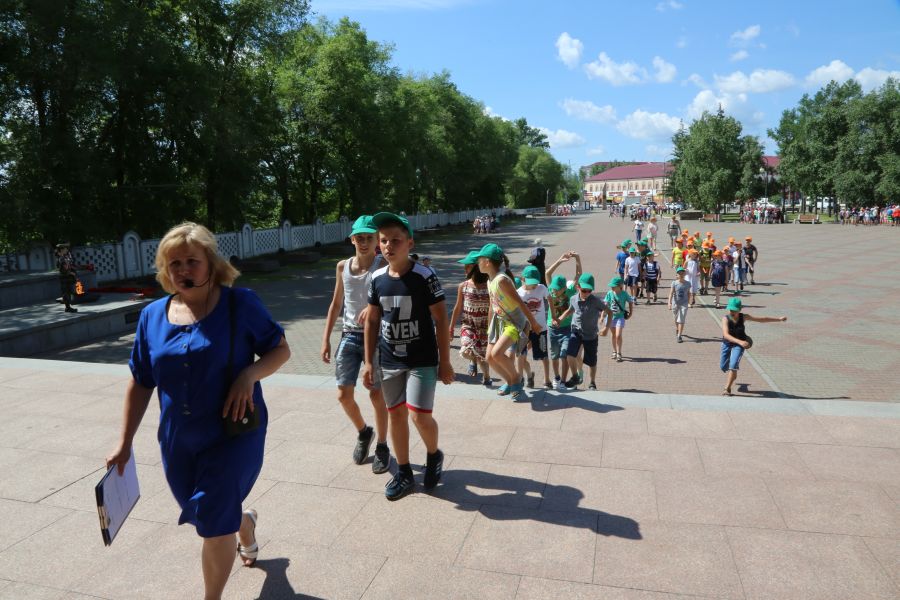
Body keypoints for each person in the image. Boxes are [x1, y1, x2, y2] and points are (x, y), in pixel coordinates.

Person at [106, 222, 291, 600]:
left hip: (233, 432)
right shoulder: (152, 316)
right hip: (179, 440)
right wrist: (124, 442)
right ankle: (244, 522)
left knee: (212, 522)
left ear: (211, 262)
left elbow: (281, 349)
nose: (183, 270)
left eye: (192, 261)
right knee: (212, 514)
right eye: (174, 263)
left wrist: (249, 375)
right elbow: (141, 381)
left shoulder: (241, 304)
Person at [363, 212, 452, 501]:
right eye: (383, 241)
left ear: (410, 243)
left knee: (419, 416)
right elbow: (372, 320)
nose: (388, 246)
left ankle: (433, 454)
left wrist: (445, 361)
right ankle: (403, 473)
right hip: (390, 359)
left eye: (396, 240)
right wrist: (369, 362)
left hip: (422, 359)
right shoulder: (376, 278)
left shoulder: (424, 276)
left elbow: (441, 318)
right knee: (396, 414)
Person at [321, 215, 390, 474]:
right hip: (349, 335)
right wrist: (326, 338)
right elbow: (336, 303)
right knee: (343, 394)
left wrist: (374, 309)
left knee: (376, 393)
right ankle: (364, 431)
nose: (364, 242)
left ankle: (382, 445)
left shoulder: (383, 265)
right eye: (359, 237)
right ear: (352, 239)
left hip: (377, 336)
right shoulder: (343, 267)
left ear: (377, 241)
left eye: (369, 238)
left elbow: (392, 299)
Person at [477, 242, 543, 401]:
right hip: (499, 322)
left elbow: (520, 303)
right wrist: (489, 328)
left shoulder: (502, 280)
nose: (477, 262)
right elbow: (492, 306)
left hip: (514, 322)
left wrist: (534, 323)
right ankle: (509, 381)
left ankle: (516, 379)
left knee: (497, 354)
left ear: (487, 261)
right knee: (489, 358)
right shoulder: (490, 280)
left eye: (480, 259)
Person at [720, 298, 787, 395]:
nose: (732, 312)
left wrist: (779, 319)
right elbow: (726, 335)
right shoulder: (725, 319)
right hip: (727, 344)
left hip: (739, 345)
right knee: (723, 367)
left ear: (740, 309)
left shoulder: (744, 317)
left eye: (734, 310)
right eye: (730, 309)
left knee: (733, 366)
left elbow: (762, 319)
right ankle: (737, 378)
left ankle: (727, 388)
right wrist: (740, 341)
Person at [555, 273, 609, 390]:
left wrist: (606, 328)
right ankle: (575, 377)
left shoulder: (595, 301)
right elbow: (570, 310)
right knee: (570, 355)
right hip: (576, 332)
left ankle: (592, 382)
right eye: (584, 290)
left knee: (591, 361)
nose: (587, 293)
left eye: (589, 291)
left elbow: (609, 312)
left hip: (591, 335)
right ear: (578, 287)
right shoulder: (573, 298)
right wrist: (560, 319)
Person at [449, 251, 492, 387]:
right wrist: (451, 328)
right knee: (466, 350)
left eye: (467, 266)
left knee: (483, 358)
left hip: (485, 327)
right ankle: (472, 360)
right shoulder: (464, 286)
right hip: (469, 324)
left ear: (476, 267)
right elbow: (457, 307)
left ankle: (486, 377)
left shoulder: (490, 285)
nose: (464, 269)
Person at [545, 252, 582, 391]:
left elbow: (578, 275)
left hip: (566, 328)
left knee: (564, 354)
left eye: (557, 289)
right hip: (552, 328)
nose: (554, 290)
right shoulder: (551, 290)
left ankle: (564, 380)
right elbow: (547, 273)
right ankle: (556, 377)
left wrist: (577, 258)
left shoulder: (570, 291)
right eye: (553, 288)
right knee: (554, 356)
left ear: (564, 288)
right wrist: (560, 260)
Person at [516, 265, 551, 389]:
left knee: (543, 354)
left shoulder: (541, 288)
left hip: (540, 329)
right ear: (523, 279)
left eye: (536, 282)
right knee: (521, 355)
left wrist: (552, 315)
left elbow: (550, 298)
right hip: (525, 329)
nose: (534, 285)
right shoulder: (519, 293)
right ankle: (526, 376)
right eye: (531, 283)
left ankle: (547, 379)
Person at [604, 276, 633, 362]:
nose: (612, 287)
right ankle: (614, 351)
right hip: (611, 317)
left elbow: (630, 302)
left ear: (620, 286)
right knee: (613, 335)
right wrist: (602, 314)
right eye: (611, 286)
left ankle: (619, 353)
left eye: (614, 286)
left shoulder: (624, 294)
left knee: (618, 335)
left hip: (620, 317)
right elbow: (606, 304)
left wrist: (631, 313)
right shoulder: (610, 293)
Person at [668, 267, 691, 343]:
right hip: (675, 303)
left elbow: (689, 293)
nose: (681, 274)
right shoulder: (674, 283)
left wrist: (689, 302)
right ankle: (677, 328)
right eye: (679, 273)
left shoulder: (688, 283)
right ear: (676, 275)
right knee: (676, 319)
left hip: (684, 304)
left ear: (684, 274)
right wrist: (669, 303)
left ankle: (679, 336)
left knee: (681, 319)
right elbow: (671, 293)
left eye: (682, 273)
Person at [55, 243, 79, 313]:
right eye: (65, 249)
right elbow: (63, 269)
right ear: (62, 250)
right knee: (66, 292)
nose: (67, 250)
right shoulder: (61, 258)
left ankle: (67, 306)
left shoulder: (64, 257)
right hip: (65, 278)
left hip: (66, 277)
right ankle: (67, 307)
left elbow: (68, 266)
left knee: (68, 292)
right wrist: (71, 273)